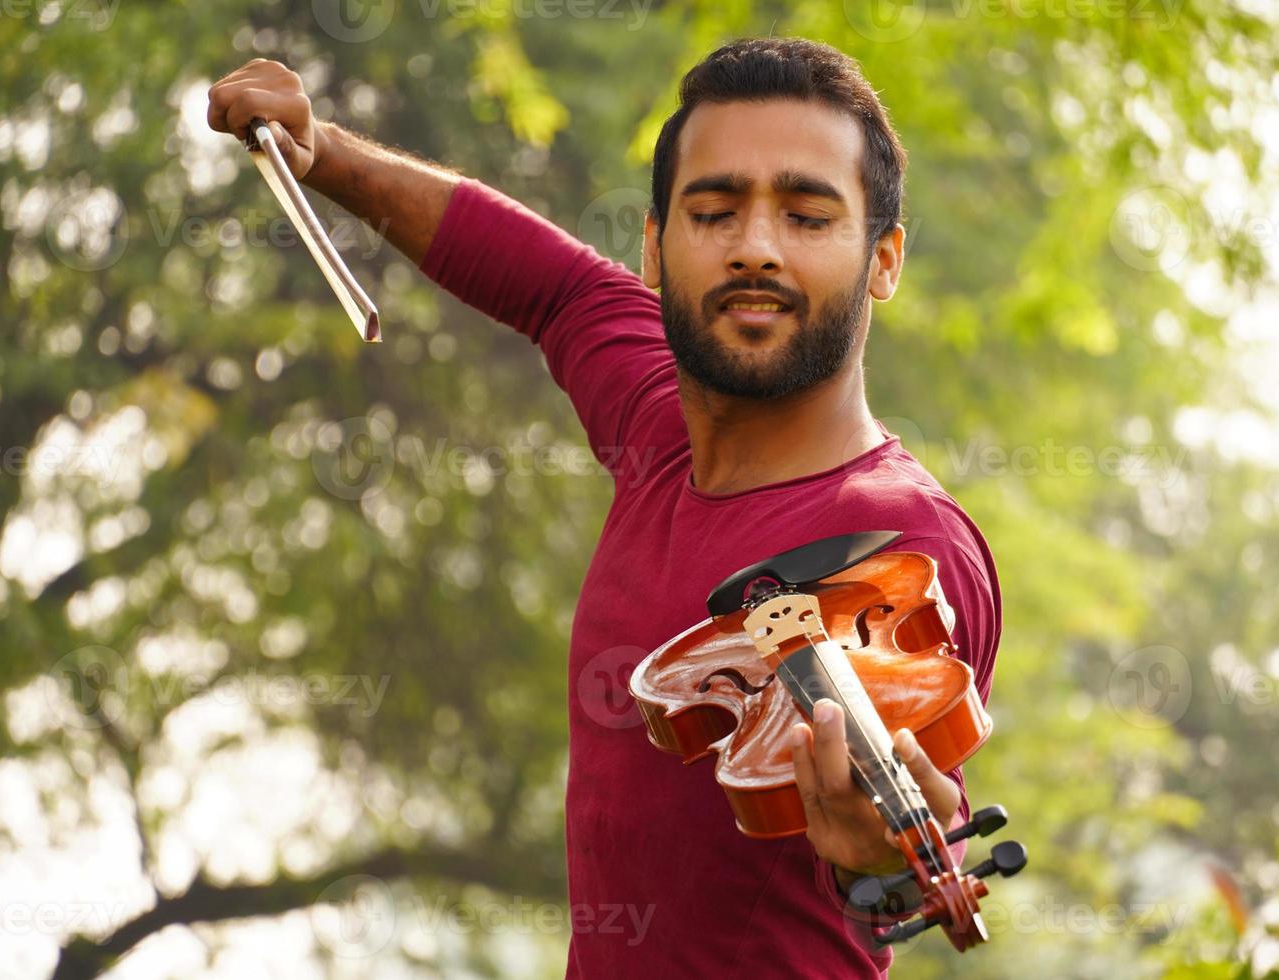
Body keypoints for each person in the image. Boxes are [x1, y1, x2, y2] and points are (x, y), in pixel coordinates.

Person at [208, 35, 1002, 978]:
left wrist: (888, 863)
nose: (754, 246)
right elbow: (549, 285)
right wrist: (320, 151)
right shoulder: (659, 426)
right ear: (655, 248)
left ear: (884, 260)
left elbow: (914, 794)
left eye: (807, 214)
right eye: (713, 211)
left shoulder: (906, 544)